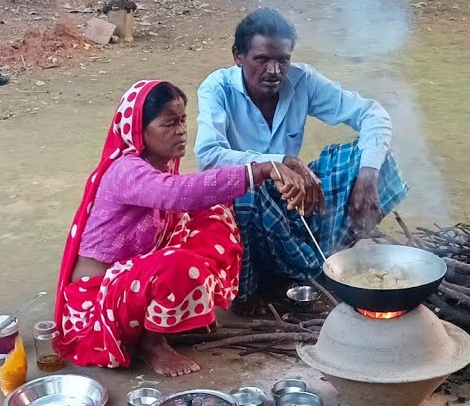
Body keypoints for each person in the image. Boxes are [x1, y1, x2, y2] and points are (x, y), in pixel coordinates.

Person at [53, 79, 294, 377]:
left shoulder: (161, 165)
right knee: (179, 264)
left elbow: (191, 196)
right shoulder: (127, 171)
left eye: (182, 120)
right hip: (97, 304)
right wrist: (260, 170)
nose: (181, 130)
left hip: (129, 278)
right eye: (169, 123)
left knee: (214, 216)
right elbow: (178, 194)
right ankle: (151, 344)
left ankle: (174, 313)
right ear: (138, 131)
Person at [195, 8, 409, 307]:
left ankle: (323, 258)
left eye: (283, 59)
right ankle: (257, 286)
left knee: (373, 157)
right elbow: (208, 156)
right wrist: (277, 162)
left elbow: (371, 114)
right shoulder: (217, 88)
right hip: (245, 203)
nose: (274, 70)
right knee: (247, 194)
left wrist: (368, 175)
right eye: (262, 59)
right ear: (238, 56)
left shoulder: (302, 80)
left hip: (293, 196)